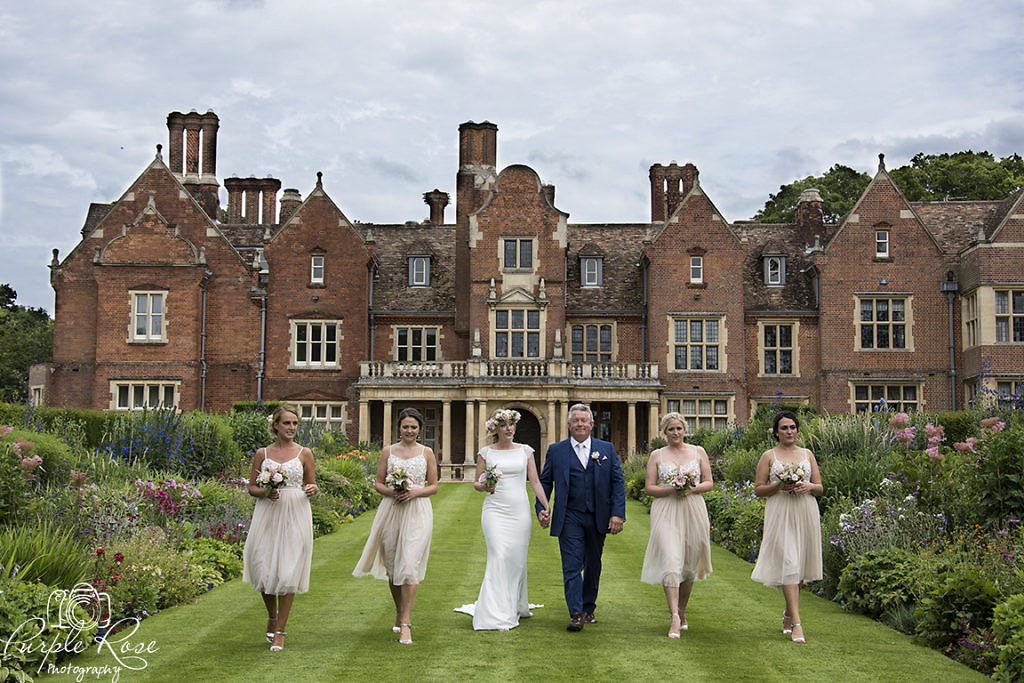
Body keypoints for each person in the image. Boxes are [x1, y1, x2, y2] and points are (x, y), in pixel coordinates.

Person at [456, 409, 551, 630]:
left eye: (511, 425)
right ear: (495, 429)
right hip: (495, 510)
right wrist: (485, 485)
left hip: (519, 511)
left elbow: (535, 481)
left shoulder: (526, 451)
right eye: (504, 425)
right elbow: (477, 483)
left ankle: (515, 604)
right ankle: (497, 613)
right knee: (498, 556)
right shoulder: (485, 453)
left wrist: (546, 505)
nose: (509, 428)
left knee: (516, 561)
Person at [535, 403, 626, 631]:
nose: (580, 424)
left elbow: (617, 482)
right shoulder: (556, 450)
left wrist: (617, 514)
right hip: (569, 516)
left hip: (598, 516)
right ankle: (575, 613)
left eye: (583, 421)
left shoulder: (605, 449)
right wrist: (542, 507)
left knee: (593, 564)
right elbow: (545, 481)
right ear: (568, 425)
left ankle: (588, 608)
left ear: (592, 425)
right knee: (572, 564)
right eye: (575, 421)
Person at [353, 407, 439, 645]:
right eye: (405, 426)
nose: (409, 431)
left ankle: (406, 624)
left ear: (419, 429)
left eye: (413, 427)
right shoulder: (388, 451)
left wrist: (413, 493)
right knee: (393, 567)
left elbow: (433, 486)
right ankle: (400, 611)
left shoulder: (427, 452)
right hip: (391, 511)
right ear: (398, 427)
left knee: (409, 565)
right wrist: (393, 491)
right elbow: (379, 484)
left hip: (417, 511)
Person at [242, 404, 318, 652]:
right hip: (268, 513)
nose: (292, 428)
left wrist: (312, 489)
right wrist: (265, 492)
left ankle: (280, 632)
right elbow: (252, 487)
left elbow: (311, 484)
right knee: (263, 568)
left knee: (287, 572)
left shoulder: (305, 453)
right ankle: (272, 616)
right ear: (275, 425)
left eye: (295, 423)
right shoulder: (262, 454)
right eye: (287, 423)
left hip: (295, 512)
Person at [751, 410, 823, 644]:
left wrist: (809, 486)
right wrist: (779, 486)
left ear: (797, 429)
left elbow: (820, 487)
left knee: (800, 571)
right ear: (776, 432)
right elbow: (758, 489)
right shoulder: (769, 456)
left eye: (792, 427)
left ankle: (788, 613)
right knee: (790, 564)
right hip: (780, 511)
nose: (789, 431)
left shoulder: (807, 454)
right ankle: (797, 624)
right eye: (784, 428)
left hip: (805, 510)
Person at [641, 412, 713, 637]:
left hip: (693, 509)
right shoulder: (657, 455)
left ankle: (682, 610)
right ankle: (673, 616)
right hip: (666, 509)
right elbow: (650, 487)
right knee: (671, 561)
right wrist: (671, 489)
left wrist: (691, 488)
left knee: (688, 567)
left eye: (679, 428)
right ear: (664, 432)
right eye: (671, 429)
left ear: (685, 430)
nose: (675, 433)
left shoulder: (698, 452)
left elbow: (709, 482)